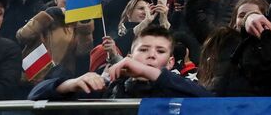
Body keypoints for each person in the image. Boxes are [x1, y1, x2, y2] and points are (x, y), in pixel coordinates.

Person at [28, 26, 212, 99]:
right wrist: (69, 84)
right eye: (144, 49)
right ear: (129, 57)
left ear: (170, 62)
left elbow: (210, 102)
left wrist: (150, 73)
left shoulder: (181, 88)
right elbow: (34, 96)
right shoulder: (108, 87)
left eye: (160, 51)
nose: (152, 55)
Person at [196, 0, 270, 96]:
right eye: (242, 15)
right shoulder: (221, 40)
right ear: (234, 22)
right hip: (220, 104)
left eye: (253, 14)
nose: (247, 19)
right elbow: (194, 16)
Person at [16, 0, 94, 75]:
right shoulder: (43, 17)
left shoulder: (79, 27)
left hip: (59, 82)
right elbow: (22, 36)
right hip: (31, 77)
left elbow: (82, 53)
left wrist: (85, 28)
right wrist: (48, 14)